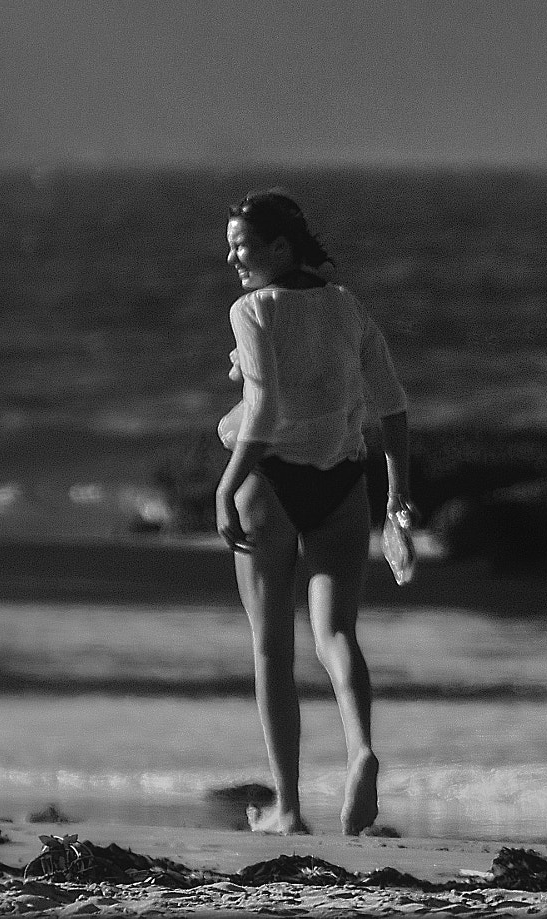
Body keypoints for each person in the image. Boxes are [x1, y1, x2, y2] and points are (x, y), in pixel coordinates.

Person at [216, 189, 414, 837]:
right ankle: (360, 747)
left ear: (279, 247)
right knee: (337, 634)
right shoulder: (345, 304)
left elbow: (267, 411)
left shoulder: (251, 309)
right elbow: (393, 407)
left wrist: (226, 484)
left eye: (241, 246)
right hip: (342, 480)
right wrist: (397, 494)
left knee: (272, 646)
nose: (232, 258)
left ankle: (290, 808)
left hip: (269, 481)